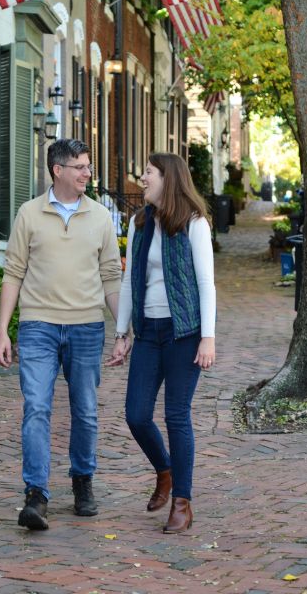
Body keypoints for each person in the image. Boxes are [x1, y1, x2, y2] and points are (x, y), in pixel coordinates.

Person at [0, 138, 122, 531]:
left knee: (85, 410)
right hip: (38, 327)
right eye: (80, 166)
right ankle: (36, 494)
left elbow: (111, 277)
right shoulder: (29, 214)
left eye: (88, 165)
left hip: (87, 326)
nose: (87, 173)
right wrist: (2, 331)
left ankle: (83, 480)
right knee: (36, 407)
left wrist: (123, 329)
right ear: (58, 170)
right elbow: (13, 273)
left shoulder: (100, 217)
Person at [107, 152, 216, 534]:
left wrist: (207, 337)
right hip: (148, 333)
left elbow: (205, 283)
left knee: (176, 415)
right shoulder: (139, 223)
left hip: (183, 333)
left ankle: (182, 503)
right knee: (136, 414)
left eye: (148, 172)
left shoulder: (194, 223)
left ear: (168, 178)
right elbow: (128, 281)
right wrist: (121, 334)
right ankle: (165, 470)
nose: (142, 178)